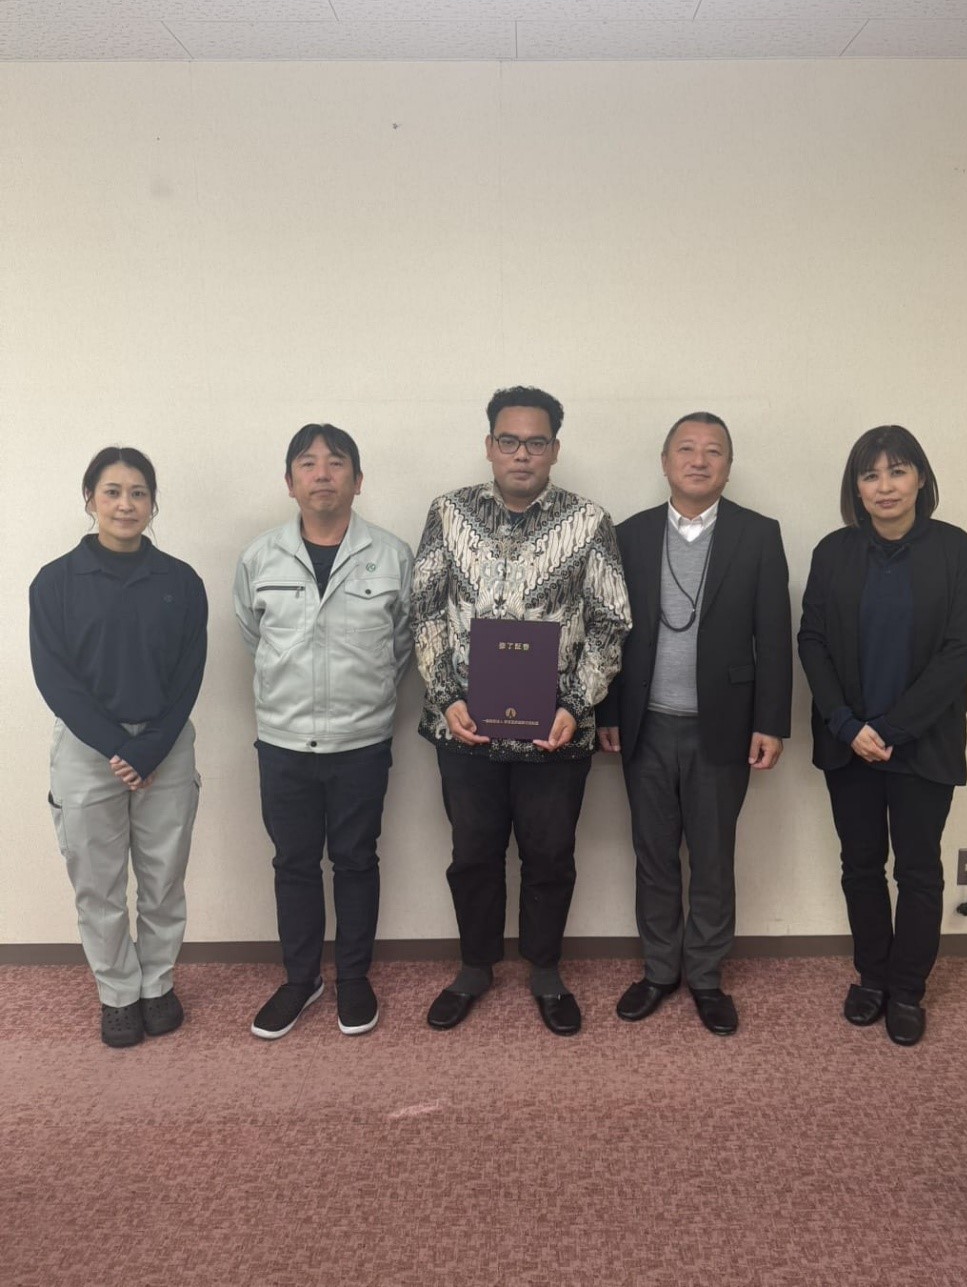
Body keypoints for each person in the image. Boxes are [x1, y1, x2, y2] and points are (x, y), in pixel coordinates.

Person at [412, 386, 631, 1036]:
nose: (521, 454)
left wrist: (575, 703)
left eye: (536, 442)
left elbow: (610, 624)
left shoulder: (589, 521)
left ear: (554, 449)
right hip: (464, 729)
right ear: (489, 445)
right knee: (472, 854)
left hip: (556, 733)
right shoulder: (447, 513)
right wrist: (446, 696)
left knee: (550, 856)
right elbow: (424, 609)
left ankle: (545, 970)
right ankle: (474, 967)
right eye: (508, 440)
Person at [596, 412, 791, 1036]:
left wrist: (771, 722)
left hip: (723, 728)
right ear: (665, 461)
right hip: (645, 725)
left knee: (712, 858)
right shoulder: (630, 534)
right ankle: (659, 970)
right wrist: (607, 712)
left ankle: (705, 975)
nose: (699, 460)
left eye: (713, 451)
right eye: (686, 449)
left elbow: (774, 637)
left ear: (729, 466)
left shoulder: (758, 535)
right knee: (653, 856)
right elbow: (609, 633)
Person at [798, 425, 967, 1047]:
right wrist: (848, 725)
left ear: (920, 478)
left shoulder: (955, 551)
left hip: (923, 743)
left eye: (897, 471)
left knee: (919, 871)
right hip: (848, 743)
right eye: (871, 474)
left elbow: (960, 652)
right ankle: (872, 978)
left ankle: (907, 990)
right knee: (860, 866)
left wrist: (892, 729)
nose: (885, 486)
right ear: (856, 487)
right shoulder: (834, 552)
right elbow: (812, 641)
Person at [234, 424, 413, 1040]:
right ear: (289, 482)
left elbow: (402, 645)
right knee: (293, 863)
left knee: (357, 860)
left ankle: (354, 977)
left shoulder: (391, 556)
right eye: (307, 464)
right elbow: (253, 636)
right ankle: (301, 978)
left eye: (336, 463)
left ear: (357, 480)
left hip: (361, 742)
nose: (322, 474)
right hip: (283, 742)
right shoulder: (260, 558)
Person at [29, 447, 207, 1049]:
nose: (125, 504)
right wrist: (116, 746)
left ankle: (157, 984)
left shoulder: (181, 581)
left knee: (163, 877)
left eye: (138, 492)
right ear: (90, 500)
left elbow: (189, 672)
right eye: (112, 491)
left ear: (153, 502)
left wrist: (150, 748)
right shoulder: (55, 582)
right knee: (97, 883)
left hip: (166, 746)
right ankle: (118, 994)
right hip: (87, 750)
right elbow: (54, 678)